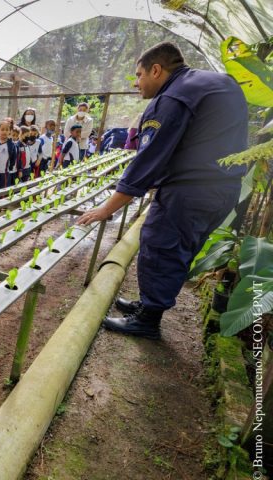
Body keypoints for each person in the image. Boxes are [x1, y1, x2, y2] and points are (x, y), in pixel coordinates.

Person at [77, 42, 248, 340]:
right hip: (222, 189)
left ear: (157, 70)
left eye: (139, 74)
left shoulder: (173, 97)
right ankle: (148, 305)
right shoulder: (213, 82)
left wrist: (107, 208)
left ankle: (148, 319)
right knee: (180, 247)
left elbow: (148, 159)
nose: (136, 82)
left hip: (191, 190)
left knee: (160, 244)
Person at [0, 119, 18, 189]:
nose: (4, 131)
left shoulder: (11, 145)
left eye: (7, 130)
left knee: (3, 191)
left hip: (4, 172)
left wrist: (10, 167)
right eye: (2, 129)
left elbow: (14, 157)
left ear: (10, 131)